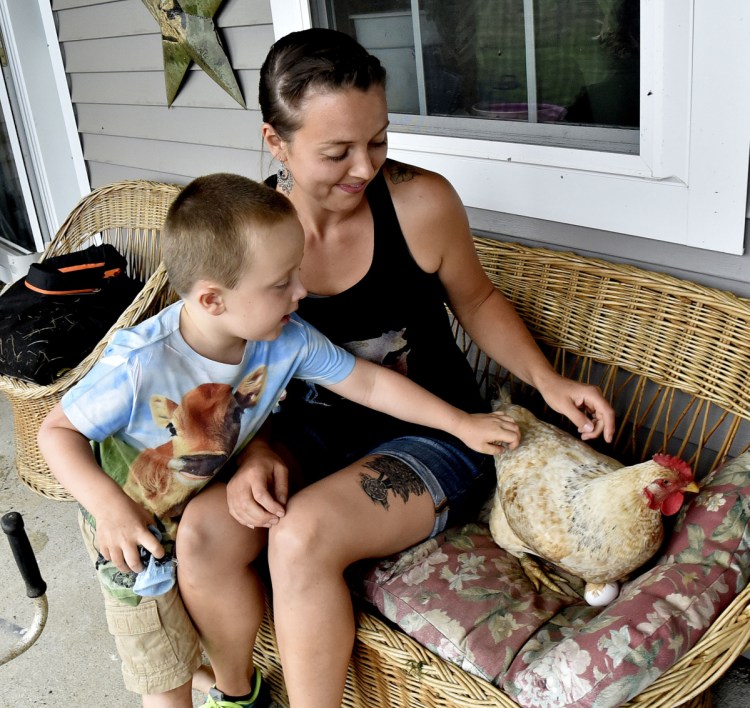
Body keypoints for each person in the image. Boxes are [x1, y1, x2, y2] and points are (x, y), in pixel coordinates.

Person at [176, 28, 617, 708]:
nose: (365, 167)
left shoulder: (420, 204)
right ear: (275, 142)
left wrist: (548, 381)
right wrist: (255, 449)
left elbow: (478, 299)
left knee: (299, 537)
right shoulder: (244, 237)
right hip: (306, 436)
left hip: (439, 431)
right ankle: (235, 693)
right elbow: (233, 358)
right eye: (337, 151)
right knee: (203, 532)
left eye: (378, 139)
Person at [36, 172, 523, 708]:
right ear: (213, 300)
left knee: (186, 630)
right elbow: (56, 431)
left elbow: (368, 381)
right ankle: (225, 694)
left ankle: (236, 695)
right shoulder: (138, 364)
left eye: (297, 272)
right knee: (163, 677)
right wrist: (108, 508)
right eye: (282, 282)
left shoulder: (286, 339)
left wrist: (459, 423)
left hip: (188, 504)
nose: (302, 291)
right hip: (130, 532)